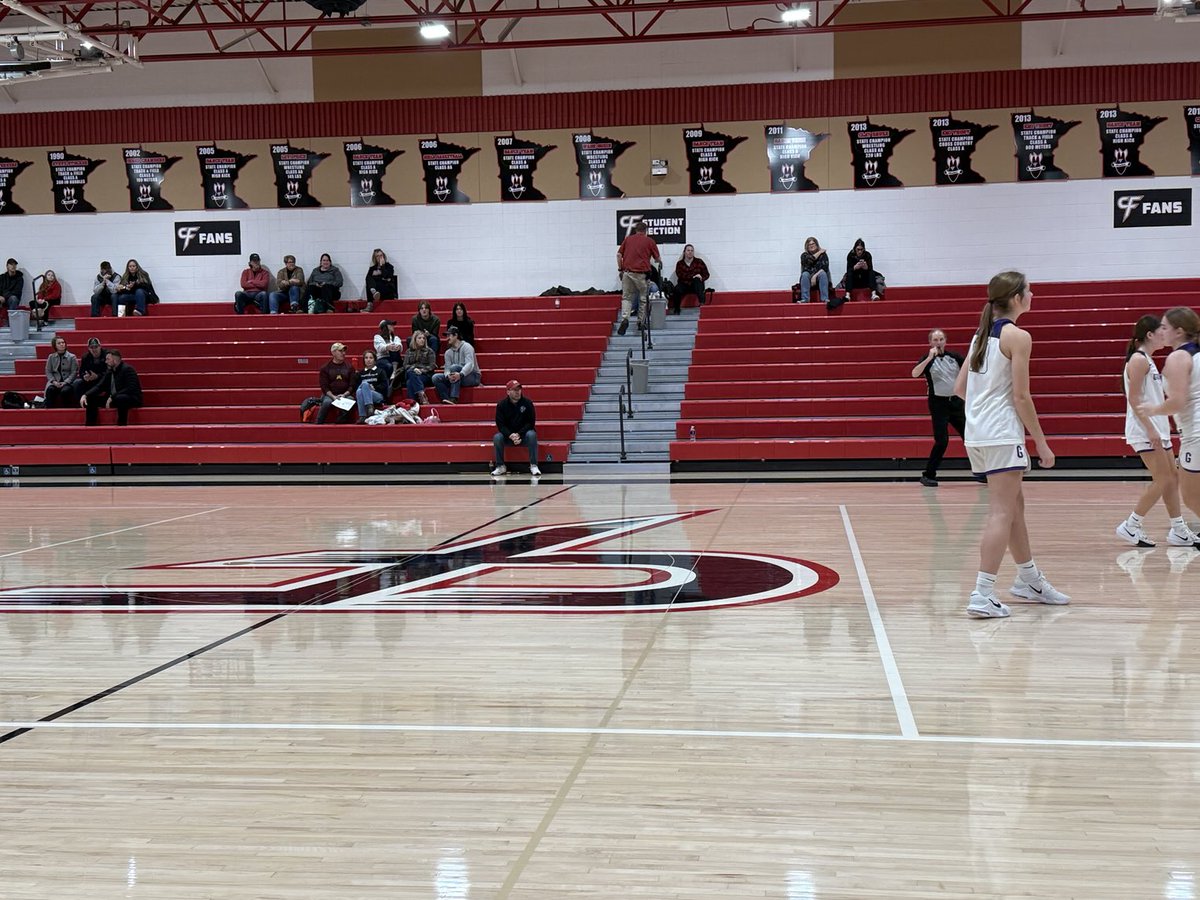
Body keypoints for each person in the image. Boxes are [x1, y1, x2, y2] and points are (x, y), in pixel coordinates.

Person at [954, 270, 1069, 618]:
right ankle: (982, 593)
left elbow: (960, 389)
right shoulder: (1018, 337)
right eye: (1030, 290)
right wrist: (1043, 443)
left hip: (978, 434)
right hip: (1002, 434)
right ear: (1017, 297)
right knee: (1002, 512)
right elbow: (1021, 396)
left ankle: (1029, 579)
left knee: (1014, 508)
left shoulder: (979, 338)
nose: (1033, 294)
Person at [1114, 315, 1199, 548]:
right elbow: (1134, 399)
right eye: (1160, 329)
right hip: (1144, 430)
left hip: (1158, 428)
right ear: (1149, 335)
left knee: (1171, 479)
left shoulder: (1149, 360)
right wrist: (1151, 428)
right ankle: (1131, 524)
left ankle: (1179, 529)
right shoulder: (1139, 360)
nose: (1164, 332)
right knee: (1164, 479)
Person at [1140, 306, 1200, 543]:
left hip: (1195, 433)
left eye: (1165, 327)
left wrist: (1152, 409)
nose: (1161, 331)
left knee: (1191, 496)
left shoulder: (1178, 357)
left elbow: (1176, 401)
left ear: (1179, 331)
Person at [912, 328, 966, 487]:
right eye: (935, 340)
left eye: (941, 339)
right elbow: (914, 374)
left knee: (970, 438)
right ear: (930, 342)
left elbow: (969, 372)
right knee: (942, 441)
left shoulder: (954, 357)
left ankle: (982, 472)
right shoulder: (927, 360)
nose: (938, 342)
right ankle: (928, 474)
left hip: (956, 403)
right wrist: (929, 358)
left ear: (945, 341)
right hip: (938, 404)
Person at [616, 220, 660, 336]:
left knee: (626, 298)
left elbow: (619, 255)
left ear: (635, 230)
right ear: (646, 231)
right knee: (643, 299)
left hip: (627, 273)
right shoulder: (650, 241)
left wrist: (620, 269)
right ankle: (641, 322)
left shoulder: (628, 239)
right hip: (642, 274)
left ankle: (625, 318)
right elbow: (657, 258)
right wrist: (658, 261)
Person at [81, 348, 143, 426]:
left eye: (108, 359)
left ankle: (121, 426)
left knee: (121, 398)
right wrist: (86, 395)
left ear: (115, 360)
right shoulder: (109, 372)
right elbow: (99, 386)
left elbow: (131, 388)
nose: (106, 362)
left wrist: (112, 397)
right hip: (113, 398)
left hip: (130, 398)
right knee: (90, 399)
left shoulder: (128, 369)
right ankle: (90, 427)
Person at [492, 380, 540, 477]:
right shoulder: (501, 405)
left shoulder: (527, 403)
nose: (518, 392)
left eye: (519, 389)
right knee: (497, 437)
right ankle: (500, 466)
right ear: (508, 392)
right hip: (508, 436)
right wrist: (510, 435)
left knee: (531, 434)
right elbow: (500, 425)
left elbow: (530, 423)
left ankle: (533, 465)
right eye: (514, 390)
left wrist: (519, 434)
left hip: (523, 435)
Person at [431, 326, 480, 405]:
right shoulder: (448, 352)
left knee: (454, 367)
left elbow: (470, 364)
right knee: (435, 377)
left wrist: (460, 374)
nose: (447, 338)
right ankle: (446, 399)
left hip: (472, 376)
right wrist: (448, 376)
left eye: (449, 335)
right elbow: (447, 369)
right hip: (457, 376)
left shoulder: (467, 347)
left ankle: (454, 397)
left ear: (456, 335)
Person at [314, 342, 356, 424]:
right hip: (330, 394)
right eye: (340, 351)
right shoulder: (325, 368)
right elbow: (324, 387)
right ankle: (318, 422)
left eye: (344, 351)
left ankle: (341, 421)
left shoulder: (350, 367)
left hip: (345, 394)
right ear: (333, 353)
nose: (343, 353)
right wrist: (333, 396)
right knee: (326, 402)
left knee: (350, 400)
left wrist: (344, 395)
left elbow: (352, 385)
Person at [399, 330, 436, 404]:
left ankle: (412, 403)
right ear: (415, 339)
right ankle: (421, 394)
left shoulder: (429, 351)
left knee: (410, 382)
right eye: (419, 338)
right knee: (411, 372)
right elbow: (405, 365)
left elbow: (432, 365)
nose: (422, 340)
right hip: (412, 373)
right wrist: (414, 368)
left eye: (423, 338)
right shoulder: (409, 351)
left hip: (425, 375)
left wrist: (421, 370)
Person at [671, 244, 710, 314]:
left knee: (697, 280)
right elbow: (680, 275)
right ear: (684, 252)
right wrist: (693, 276)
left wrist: (701, 277)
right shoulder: (680, 264)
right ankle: (676, 309)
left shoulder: (699, 262)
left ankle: (702, 305)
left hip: (696, 285)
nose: (690, 252)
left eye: (692, 250)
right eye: (688, 250)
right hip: (684, 284)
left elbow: (707, 274)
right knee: (676, 289)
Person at [43, 336, 78, 408]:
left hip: (68, 382)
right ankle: (49, 411)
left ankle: (67, 411)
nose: (62, 344)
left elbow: (74, 372)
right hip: (55, 381)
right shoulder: (51, 357)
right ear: (55, 346)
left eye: (63, 342)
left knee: (65, 391)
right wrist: (54, 381)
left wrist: (65, 382)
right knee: (50, 390)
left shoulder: (72, 357)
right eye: (59, 343)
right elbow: (48, 371)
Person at [355, 349, 389, 422]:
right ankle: (364, 415)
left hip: (378, 394)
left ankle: (368, 409)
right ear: (363, 360)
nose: (368, 360)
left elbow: (384, 385)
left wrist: (374, 388)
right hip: (364, 394)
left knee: (364, 384)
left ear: (374, 360)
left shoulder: (380, 371)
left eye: (371, 358)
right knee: (359, 391)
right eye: (366, 358)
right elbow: (357, 387)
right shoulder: (360, 373)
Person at [73, 337, 106, 404]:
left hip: (104, 380)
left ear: (100, 346)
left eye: (96, 347)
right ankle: (80, 404)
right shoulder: (85, 357)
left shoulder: (107, 355)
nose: (94, 349)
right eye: (91, 347)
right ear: (88, 348)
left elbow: (109, 372)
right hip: (90, 380)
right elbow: (81, 371)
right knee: (77, 383)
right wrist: (85, 376)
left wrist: (97, 376)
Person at [798, 237, 830, 304]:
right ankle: (805, 299)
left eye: (813, 243)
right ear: (807, 247)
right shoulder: (804, 255)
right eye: (809, 244)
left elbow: (825, 268)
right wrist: (820, 252)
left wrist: (815, 276)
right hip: (808, 276)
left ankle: (825, 299)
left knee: (823, 274)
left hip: (819, 276)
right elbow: (809, 261)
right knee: (805, 274)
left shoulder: (823, 255)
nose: (812, 245)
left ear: (817, 244)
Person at [364, 249, 397, 313]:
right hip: (376, 292)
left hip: (386, 291)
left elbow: (386, 276)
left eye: (381, 255)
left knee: (378, 282)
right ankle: (371, 300)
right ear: (375, 258)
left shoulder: (389, 267)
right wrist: (381, 279)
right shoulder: (372, 269)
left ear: (384, 256)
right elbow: (367, 279)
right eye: (377, 256)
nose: (380, 257)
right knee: (369, 278)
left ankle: (373, 293)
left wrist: (382, 266)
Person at [373, 319, 404, 386]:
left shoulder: (395, 337)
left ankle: (394, 371)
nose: (393, 326)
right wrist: (388, 347)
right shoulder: (377, 337)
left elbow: (399, 344)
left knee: (394, 347)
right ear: (386, 326)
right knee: (388, 366)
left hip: (394, 358)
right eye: (391, 325)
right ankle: (391, 380)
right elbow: (379, 347)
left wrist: (398, 346)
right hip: (382, 358)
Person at [0, 257, 23, 326]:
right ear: (7, 266)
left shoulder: (19, 278)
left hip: (12, 299)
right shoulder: (2, 277)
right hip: (2, 298)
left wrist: (4, 297)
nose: (13, 266)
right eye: (11, 264)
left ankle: (11, 324)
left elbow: (17, 292)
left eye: (14, 265)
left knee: (13, 298)